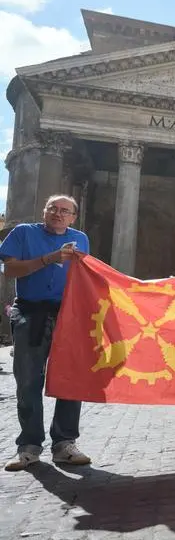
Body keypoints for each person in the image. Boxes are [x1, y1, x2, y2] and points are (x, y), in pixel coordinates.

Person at [1, 195, 92, 471]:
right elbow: (9, 270)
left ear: (73, 217)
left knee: (71, 379)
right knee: (28, 380)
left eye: (65, 210)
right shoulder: (24, 233)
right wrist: (48, 259)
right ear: (44, 211)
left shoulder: (81, 238)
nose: (58, 213)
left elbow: (86, 275)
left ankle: (64, 444)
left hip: (68, 314)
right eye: (53, 208)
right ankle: (29, 447)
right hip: (31, 312)